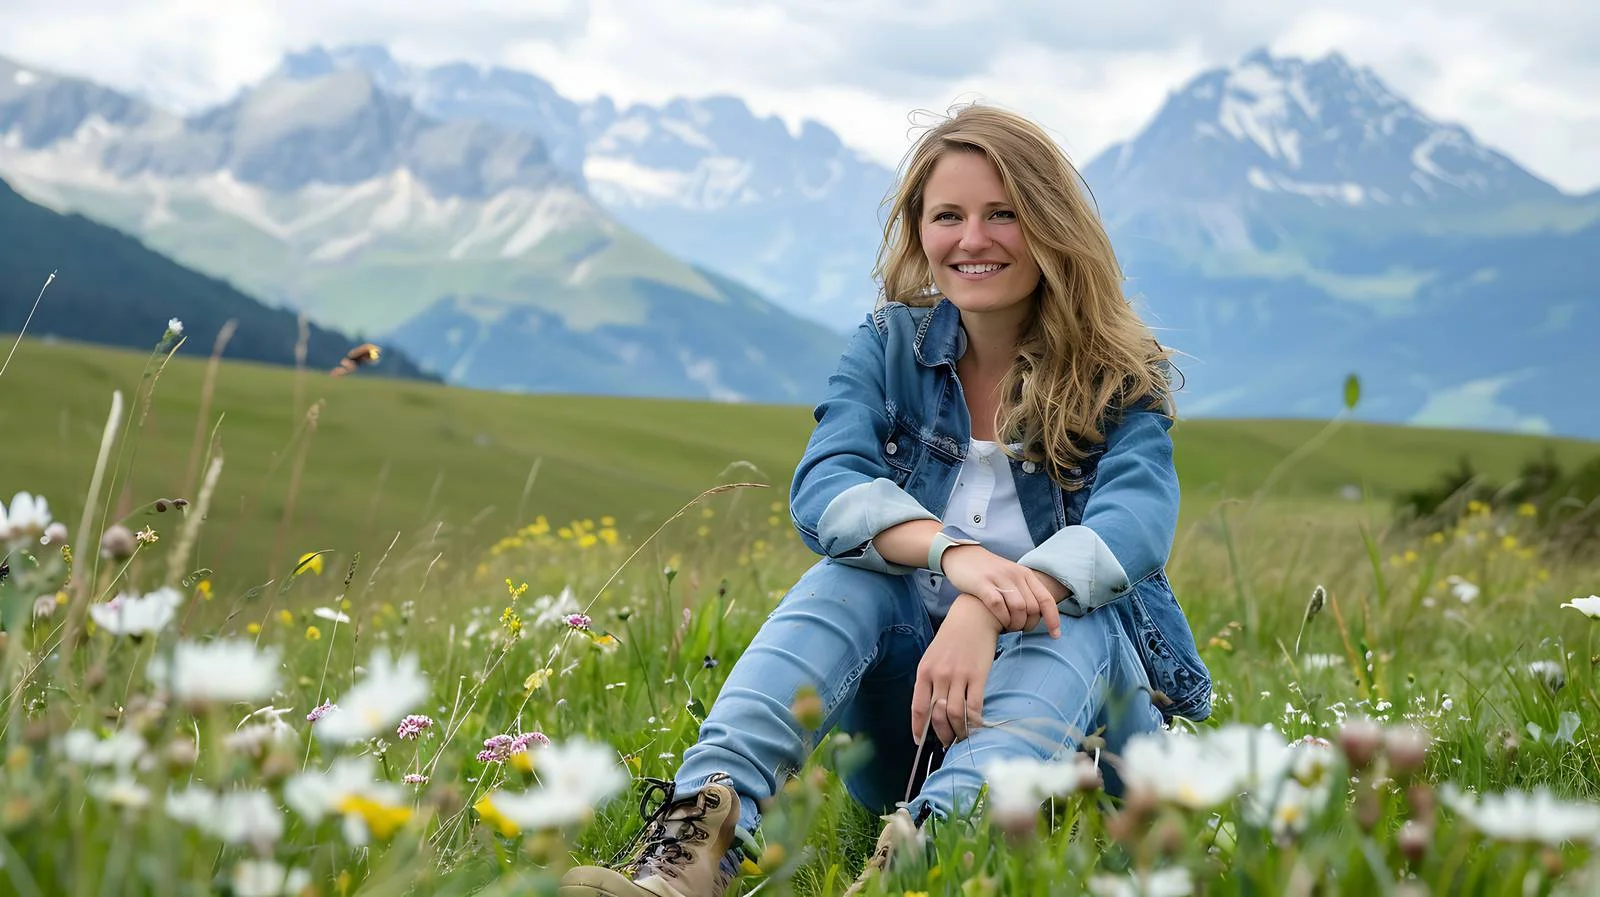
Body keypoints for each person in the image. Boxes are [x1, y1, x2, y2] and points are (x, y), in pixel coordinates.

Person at [558, 103, 1212, 897]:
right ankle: (692, 847)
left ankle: (924, 862)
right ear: (919, 232)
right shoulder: (888, 346)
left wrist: (988, 604)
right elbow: (826, 486)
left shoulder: (1119, 376)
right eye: (949, 216)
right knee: (852, 573)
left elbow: (1133, 527)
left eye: (1003, 213)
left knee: (1080, 617)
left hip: (1090, 753)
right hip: (919, 724)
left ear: (1050, 225)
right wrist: (954, 556)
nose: (973, 239)